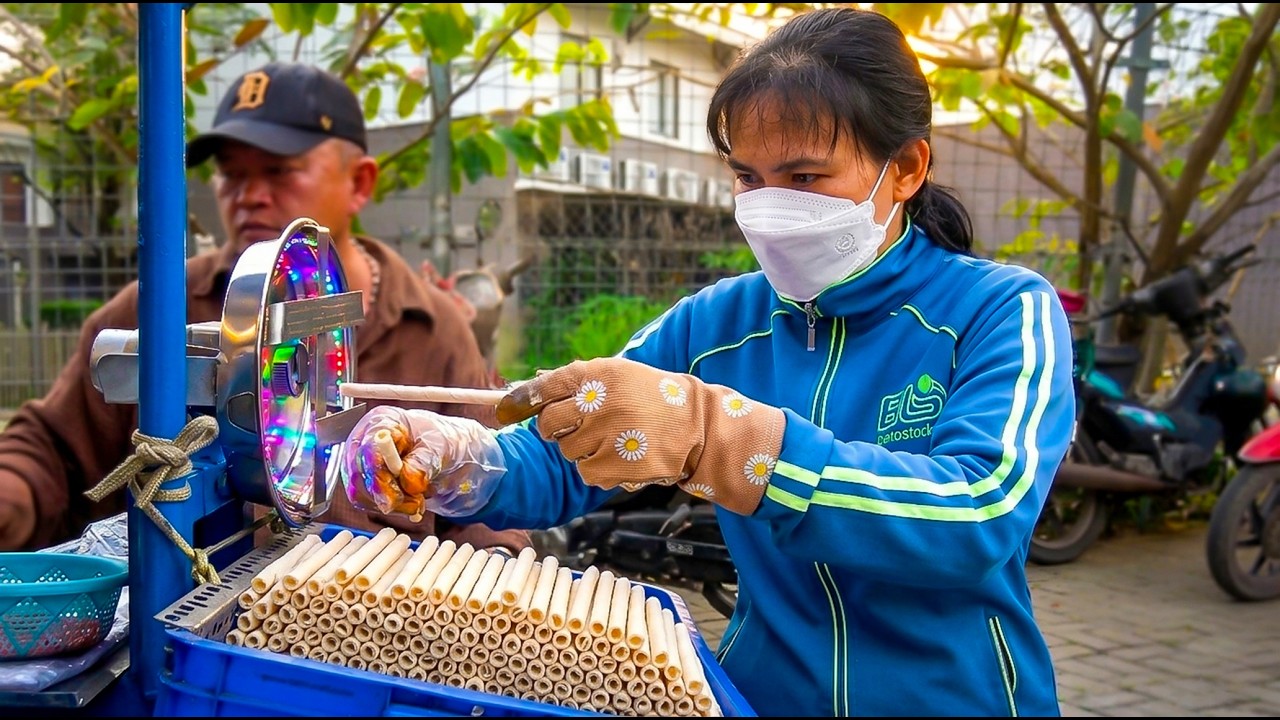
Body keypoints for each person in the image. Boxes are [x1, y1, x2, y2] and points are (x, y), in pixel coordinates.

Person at [343, 7, 1074, 717]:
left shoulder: (1000, 309)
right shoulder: (716, 323)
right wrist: (458, 460)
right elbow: (563, 453)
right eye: (749, 178)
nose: (768, 207)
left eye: (806, 177)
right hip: (756, 697)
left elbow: (979, 512)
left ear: (906, 168)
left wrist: (725, 442)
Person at [0, 61, 531, 558]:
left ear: (360, 183)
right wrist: (13, 490)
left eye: (279, 171)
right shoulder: (160, 306)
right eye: (231, 174)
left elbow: (489, 505)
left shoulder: (433, 329)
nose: (248, 196)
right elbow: (51, 451)